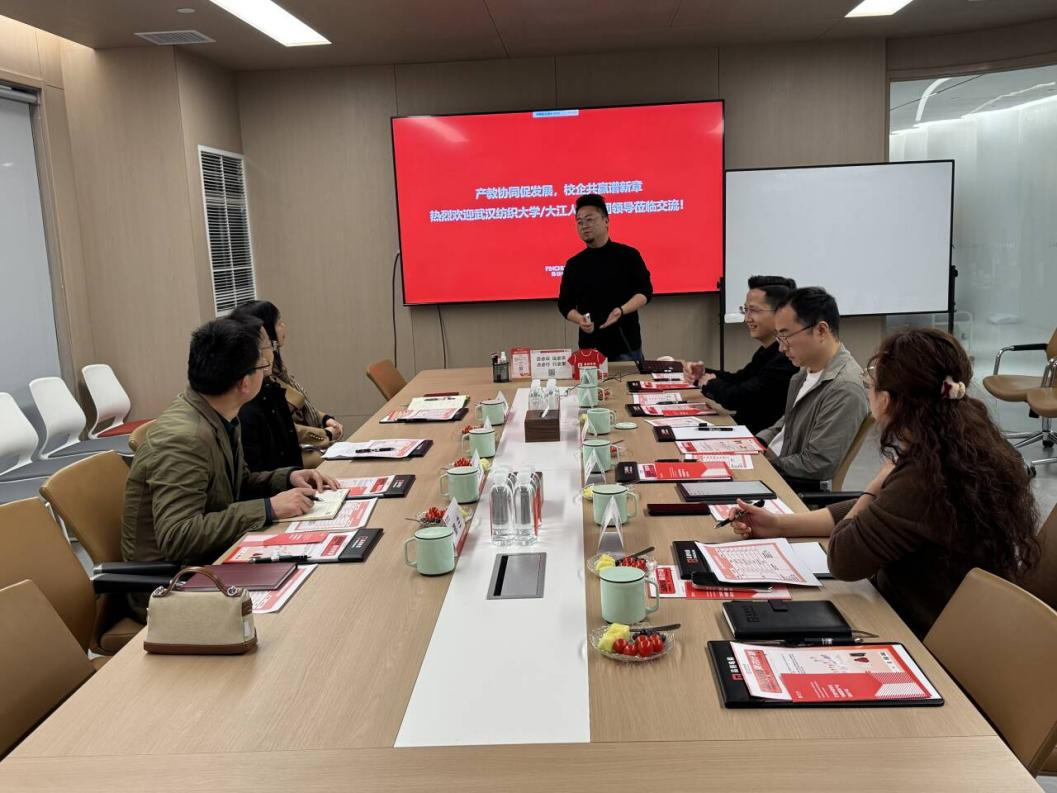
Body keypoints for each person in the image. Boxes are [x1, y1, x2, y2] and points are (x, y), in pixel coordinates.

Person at [731, 328, 1041, 637]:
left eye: (871, 384)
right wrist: (781, 525)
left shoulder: (924, 476)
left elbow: (843, 559)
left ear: (888, 400)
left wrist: (875, 484)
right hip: (964, 620)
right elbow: (885, 513)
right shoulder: (963, 446)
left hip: (921, 631)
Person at [122, 317, 338, 578]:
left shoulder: (218, 412)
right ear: (244, 384)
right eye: (261, 365)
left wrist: (287, 478)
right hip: (172, 581)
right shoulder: (183, 438)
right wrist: (268, 508)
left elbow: (236, 484)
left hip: (212, 557)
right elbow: (178, 536)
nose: (266, 371)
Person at [757, 287, 868, 490]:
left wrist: (762, 465)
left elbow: (817, 464)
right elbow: (785, 425)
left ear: (821, 331)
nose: (781, 348)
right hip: (772, 470)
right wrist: (753, 445)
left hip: (786, 487)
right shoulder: (805, 372)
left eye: (786, 336)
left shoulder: (844, 388)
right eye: (779, 338)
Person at [683, 275, 798, 434]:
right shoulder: (769, 350)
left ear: (781, 313)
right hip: (744, 431)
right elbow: (740, 379)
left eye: (754, 310)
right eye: (745, 310)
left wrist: (710, 383)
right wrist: (702, 374)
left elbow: (740, 397)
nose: (747, 318)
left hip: (759, 440)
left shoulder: (787, 358)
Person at [231, 300, 342, 464]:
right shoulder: (260, 377)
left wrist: (324, 418)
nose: (284, 326)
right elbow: (281, 425)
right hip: (289, 452)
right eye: (278, 323)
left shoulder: (276, 367)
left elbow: (300, 406)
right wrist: (324, 434)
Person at [557, 194, 653, 361]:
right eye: (579, 222)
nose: (584, 226)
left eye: (589, 220)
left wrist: (621, 311)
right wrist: (580, 319)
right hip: (590, 348)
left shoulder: (628, 255)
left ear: (606, 221)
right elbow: (565, 304)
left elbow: (645, 292)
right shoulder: (574, 264)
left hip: (625, 346)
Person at [230, 303, 309, 471]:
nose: (272, 352)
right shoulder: (244, 408)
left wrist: (292, 476)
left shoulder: (270, 390)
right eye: (269, 346)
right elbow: (255, 475)